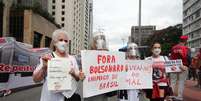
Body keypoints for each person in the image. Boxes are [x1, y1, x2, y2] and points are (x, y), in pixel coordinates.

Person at [32, 29, 84, 101]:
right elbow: (35, 79)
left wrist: (76, 74)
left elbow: (77, 78)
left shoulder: (72, 59)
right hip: (50, 98)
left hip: (68, 97)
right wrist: (44, 67)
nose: (63, 42)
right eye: (61, 40)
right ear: (55, 43)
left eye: (66, 41)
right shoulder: (47, 57)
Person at [84, 32, 111, 101]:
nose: (100, 42)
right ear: (93, 43)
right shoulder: (86, 56)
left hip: (103, 94)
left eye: (102, 40)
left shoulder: (109, 57)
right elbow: (73, 61)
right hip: (91, 95)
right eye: (97, 40)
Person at [170, 35, 191, 101]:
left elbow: (171, 58)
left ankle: (171, 95)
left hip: (174, 65)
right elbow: (188, 58)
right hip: (183, 66)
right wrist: (188, 65)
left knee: (173, 82)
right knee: (181, 82)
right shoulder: (186, 48)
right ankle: (179, 96)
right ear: (185, 41)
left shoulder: (173, 48)